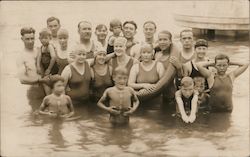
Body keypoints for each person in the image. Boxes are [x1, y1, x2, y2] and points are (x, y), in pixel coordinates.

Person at [154, 30, 182, 110]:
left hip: (170, 95)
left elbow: (180, 77)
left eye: (165, 39)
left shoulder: (174, 56)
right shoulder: (156, 55)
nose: (162, 42)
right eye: (160, 40)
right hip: (156, 94)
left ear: (170, 41)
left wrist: (179, 67)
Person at [36, 28, 59, 95]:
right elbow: (39, 57)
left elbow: (53, 57)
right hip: (45, 67)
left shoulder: (50, 46)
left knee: (52, 80)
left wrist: (49, 69)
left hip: (53, 67)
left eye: (46, 38)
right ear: (39, 39)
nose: (44, 40)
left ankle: (53, 93)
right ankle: (48, 94)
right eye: (42, 38)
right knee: (45, 80)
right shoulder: (41, 47)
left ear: (50, 38)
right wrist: (38, 66)